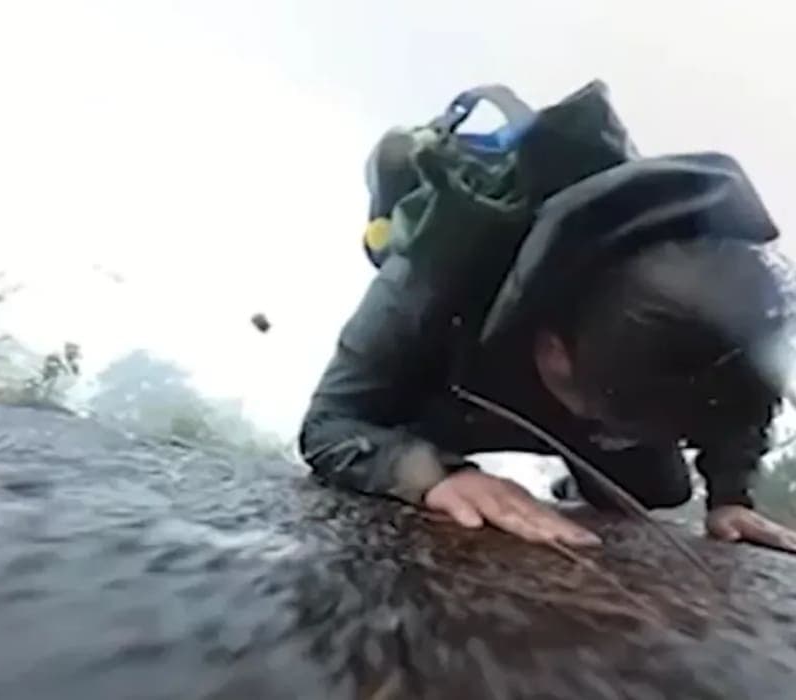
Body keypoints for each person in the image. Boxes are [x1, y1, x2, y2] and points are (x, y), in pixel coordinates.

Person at [298, 82, 796, 552]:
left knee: (657, 493)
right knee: (392, 443)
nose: (623, 440)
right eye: (619, 428)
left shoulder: (709, 312)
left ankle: (572, 478)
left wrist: (731, 497)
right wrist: (435, 477)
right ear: (553, 349)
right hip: (456, 396)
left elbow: (736, 390)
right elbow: (330, 423)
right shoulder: (434, 276)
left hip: (586, 395)